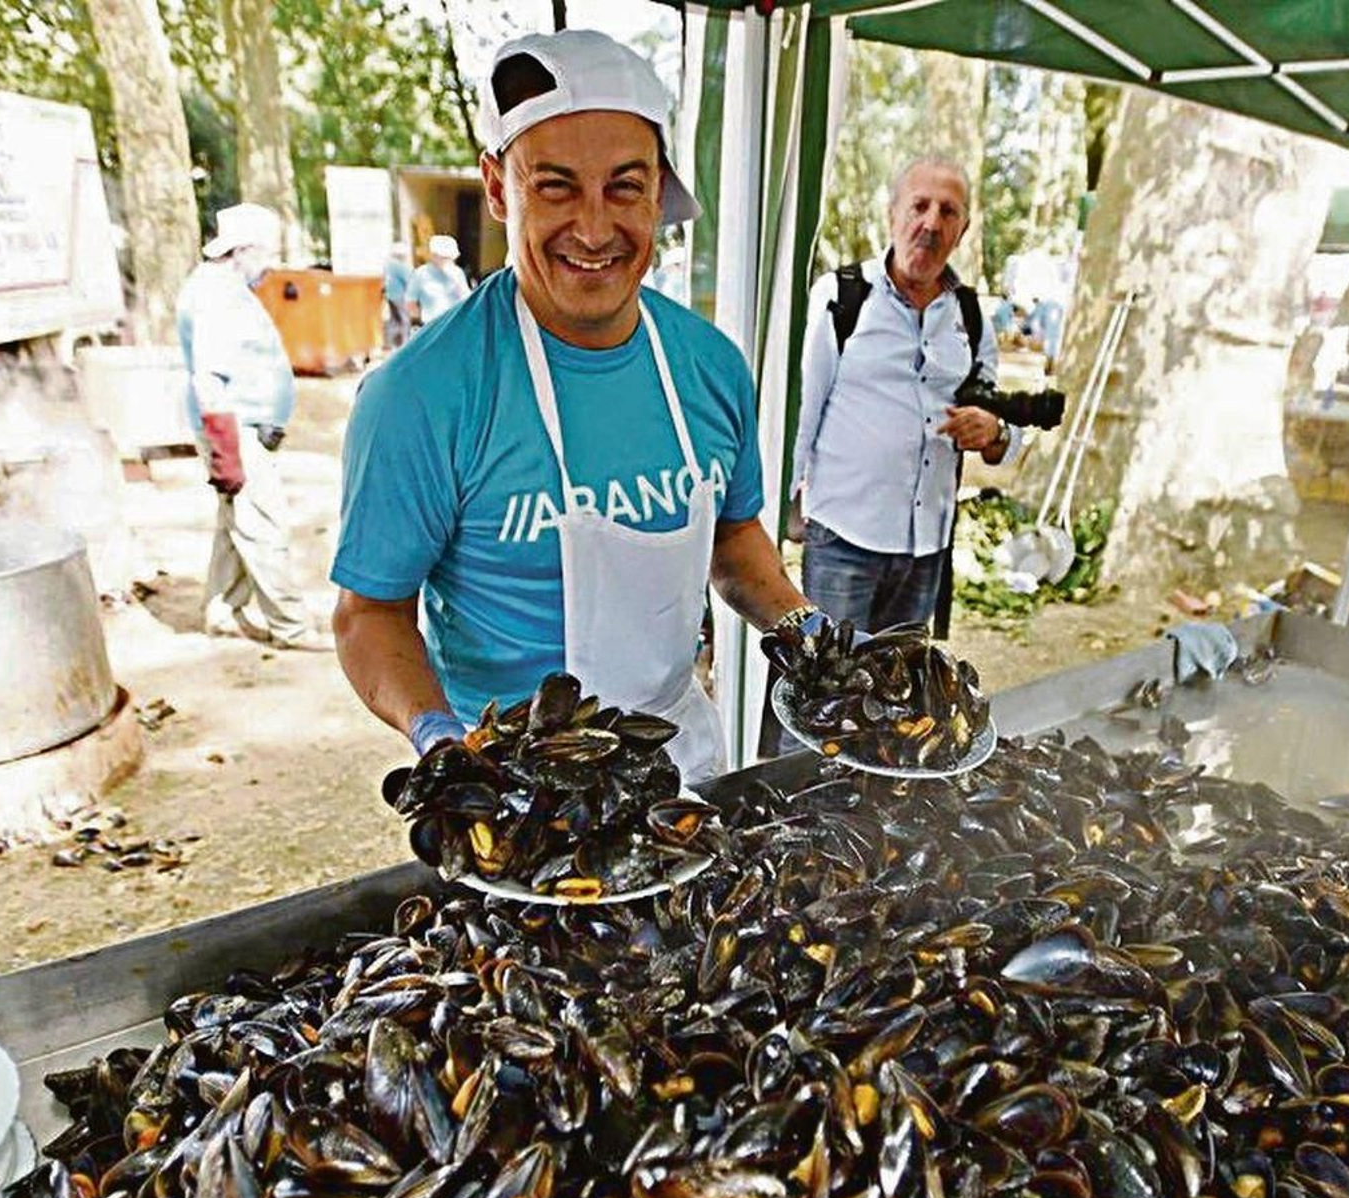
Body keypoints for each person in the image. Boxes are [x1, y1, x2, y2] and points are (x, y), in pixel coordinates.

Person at [331, 29, 823, 783]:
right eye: (555, 186)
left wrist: (810, 633)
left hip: (681, 775)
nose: (594, 229)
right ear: (499, 187)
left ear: (660, 191)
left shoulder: (713, 366)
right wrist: (437, 740)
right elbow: (370, 615)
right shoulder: (419, 396)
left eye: (625, 186)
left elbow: (733, 539)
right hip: (514, 799)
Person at [791, 156, 1022, 635]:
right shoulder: (841, 297)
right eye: (919, 206)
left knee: (901, 700)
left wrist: (995, 430)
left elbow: (1004, 425)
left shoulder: (971, 316)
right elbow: (801, 414)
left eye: (948, 212)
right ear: (892, 214)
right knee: (828, 694)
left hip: (927, 551)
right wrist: (774, 519)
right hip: (843, 538)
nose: (931, 223)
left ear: (963, 229)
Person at [176, 202, 331, 651]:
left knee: (236, 521)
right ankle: (290, 626)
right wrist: (226, 442)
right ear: (242, 249)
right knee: (263, 523)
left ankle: (223, 608)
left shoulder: (219, 288)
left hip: (239, 421)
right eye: (265, 254)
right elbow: (209, 375)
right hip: (233, 424)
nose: (269, 266)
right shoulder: (217, 295)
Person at [405, 234, 472, 328]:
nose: (448, 260)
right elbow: (410, 302)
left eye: (450, 257)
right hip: (430, 325)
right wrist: (419, 322)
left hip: (454, 324)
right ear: (433, 256)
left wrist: (457, 282)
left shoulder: (457, 272)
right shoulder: (421, 273)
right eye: (444, 257)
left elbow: (467, 299)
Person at [383, 241, 412, 350]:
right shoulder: (400, 266)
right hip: (400, 295)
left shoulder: (388, 264)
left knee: (394, 320)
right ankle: (405, 344)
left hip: (390, 295)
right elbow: (410, 279)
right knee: (405, 320)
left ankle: (389, 343)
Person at [1025, 296, 1065, 371]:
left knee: (1049, 348)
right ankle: (1051, 366)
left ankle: (1048, 366)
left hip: (1048, 333)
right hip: (1055, 332)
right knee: (1053, 348)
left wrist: (1037, 335)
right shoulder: (1057, 306)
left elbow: (1035, 323)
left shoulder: (1041, 307)